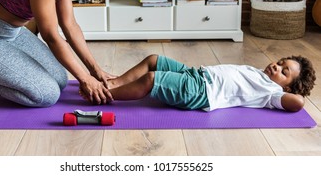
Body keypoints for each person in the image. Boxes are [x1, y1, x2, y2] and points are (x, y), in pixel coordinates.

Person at [81, 54, 316, 112]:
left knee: (152, 80)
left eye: (284, 72)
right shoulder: (262, 75)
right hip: (196, 75)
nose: (276, 66)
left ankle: (105, 95)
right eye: (279, 62)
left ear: (286, 87)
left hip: (202, 92)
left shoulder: (271, 93)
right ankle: (113, 83)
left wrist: (292, 92)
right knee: (154, 60)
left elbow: (297, 103)